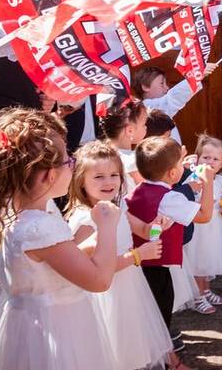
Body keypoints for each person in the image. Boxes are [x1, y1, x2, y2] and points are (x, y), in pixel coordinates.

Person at [0, 108, 119, 370]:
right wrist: (107, 227)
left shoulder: (16, 210)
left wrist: (83, 247)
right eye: (69, 161)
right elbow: (99, 280)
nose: (73, 165)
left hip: (26, 325)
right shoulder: (41, 226)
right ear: (49, 175)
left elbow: (46, 265)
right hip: (56, 331)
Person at [65, 141, 174, 370]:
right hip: (105, 293)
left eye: (114, 175)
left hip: (130, 288)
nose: (109, 182)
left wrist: (157, 226)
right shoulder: (85, 219)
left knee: (132, 347)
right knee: (112, 351)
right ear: (81, 181)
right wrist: (137, 256)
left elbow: (144, 230)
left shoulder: (119, 208)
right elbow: (88, 268)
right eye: (99, 177)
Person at [126, 136, 215, 370]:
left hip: (140, 264)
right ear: (172, 174)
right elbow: (205, 215)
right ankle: (167, 364)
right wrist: (208, 182)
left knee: (153, 317)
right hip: (157, 266)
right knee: (159, 318)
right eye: (180, 166)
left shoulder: (140, 190)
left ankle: (171, 361)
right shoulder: (169, 198)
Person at [184, 134, 222, 312]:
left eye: (215, 159)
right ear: (197, 159)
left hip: (214, 226)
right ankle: (197, 296)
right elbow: (188, 200)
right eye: (206, 157)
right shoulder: (193, 178)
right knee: (198, 260)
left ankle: (206, 290)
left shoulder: (219, 180)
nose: (210, 161)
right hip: (198, 227)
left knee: (209, 258)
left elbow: (220, 200)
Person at [132, 64, 217, 144]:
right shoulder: (147, 107)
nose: (167, 88)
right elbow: (172, 99)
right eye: (162, 83)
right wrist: (196, 76)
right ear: (145, 87)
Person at [99, 98, 148, 192]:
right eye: (144, 124)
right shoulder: (135, 161)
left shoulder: (97, 157)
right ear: (130, 130)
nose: (146, 127)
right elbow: (148, 194)